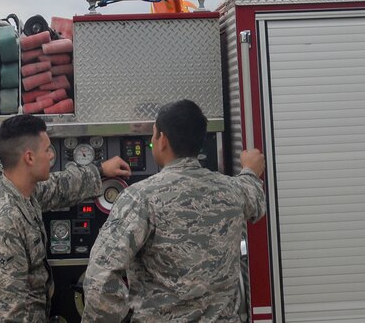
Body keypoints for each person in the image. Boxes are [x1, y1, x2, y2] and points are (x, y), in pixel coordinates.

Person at [80, 99, 267, 323]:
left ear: (162, 140)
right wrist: (250, 170)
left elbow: (100, 277)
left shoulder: (140, 198)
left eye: (153, 134)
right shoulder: (233, 191)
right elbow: (255, 199)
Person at [0, 113, 132, 323]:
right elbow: (8, 313)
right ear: (29, 157)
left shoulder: (18, 190)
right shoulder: (4, 222)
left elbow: (58, 187)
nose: (50, 156)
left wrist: (101, 170)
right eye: (47, 150)